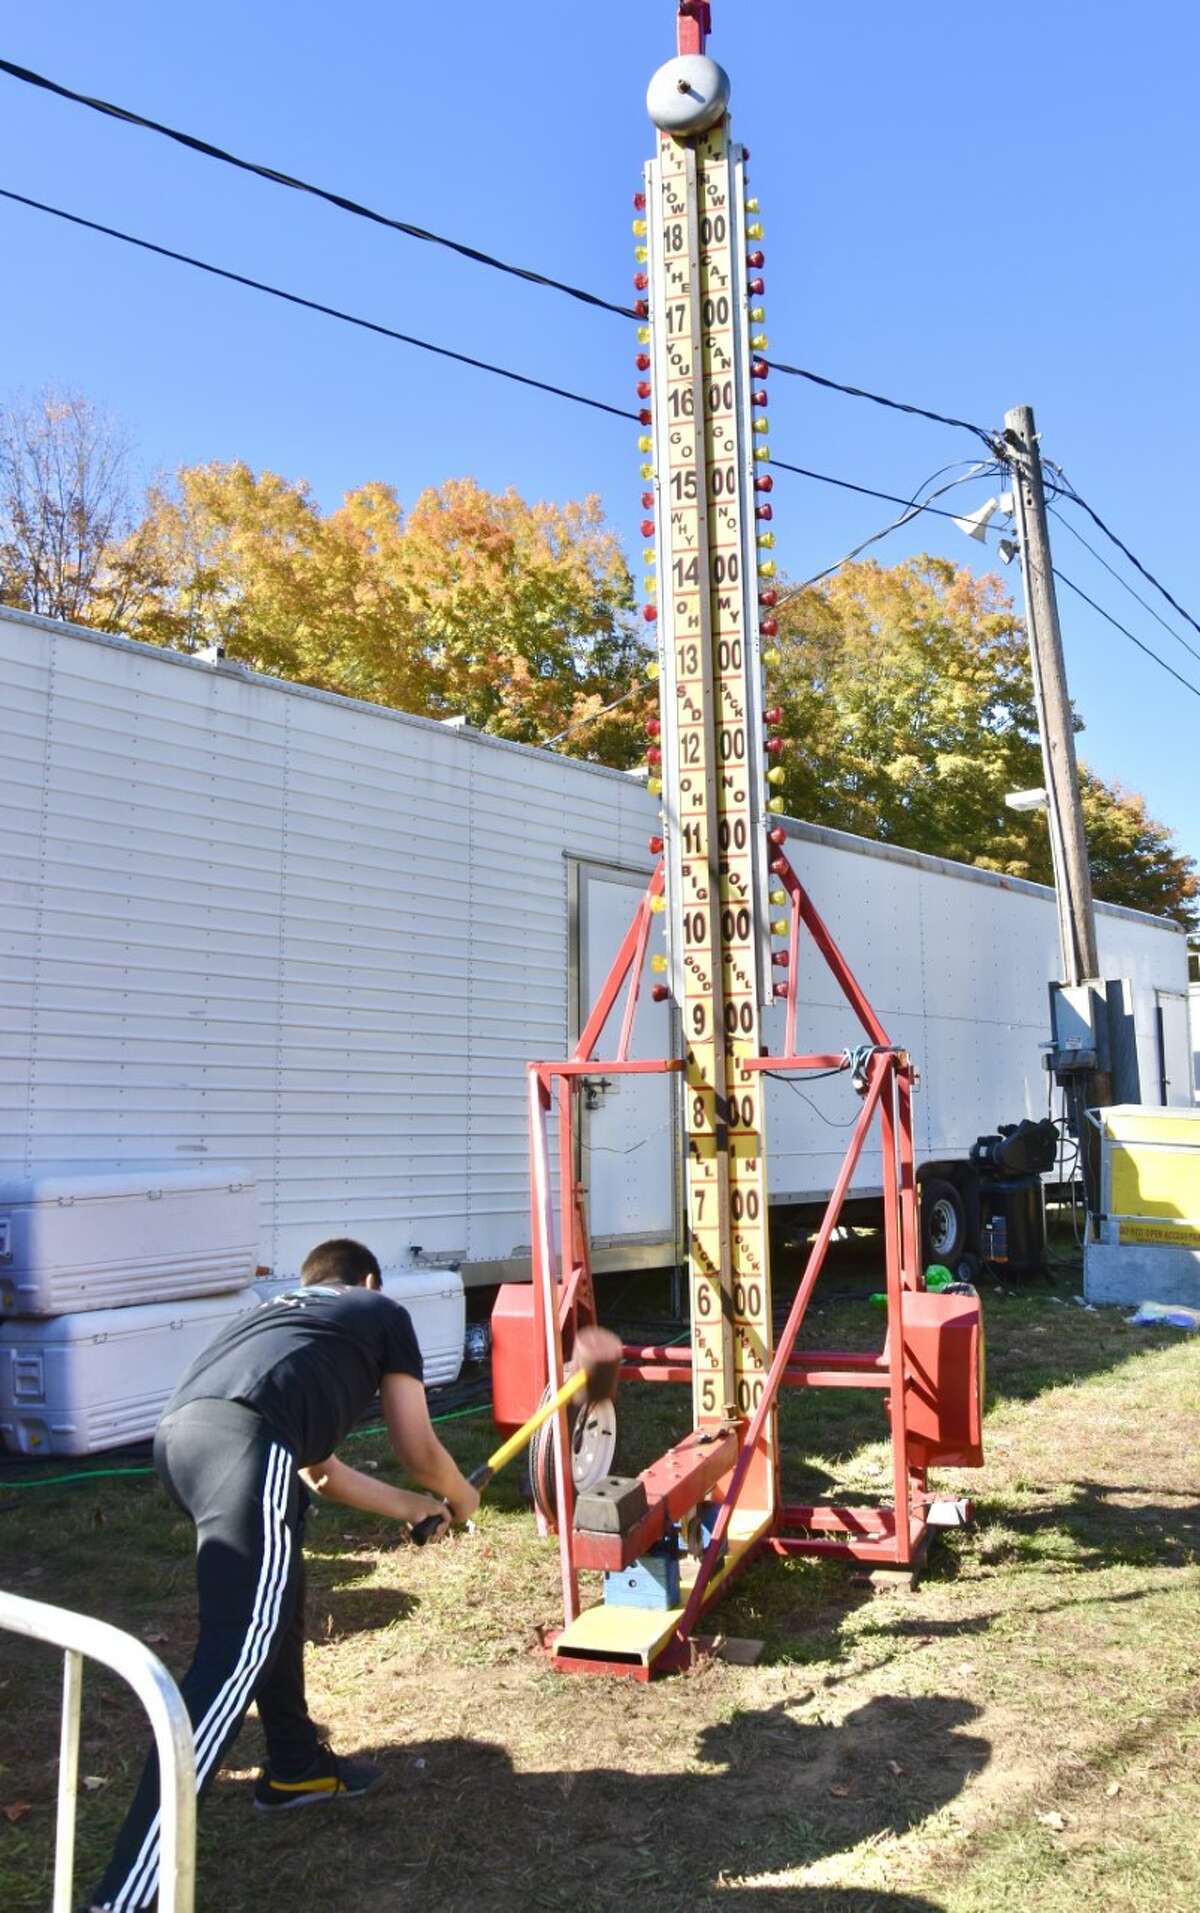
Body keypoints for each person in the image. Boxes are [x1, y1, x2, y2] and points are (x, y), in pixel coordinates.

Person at [87, 1237, 480, 1913]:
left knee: (278, 1578)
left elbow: (319, 1470)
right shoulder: (378, 1308)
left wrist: (411, 1508)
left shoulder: (283, 1319)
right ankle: (126, 1896)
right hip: (247, 1438)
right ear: (367, 1277)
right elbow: (416, 1446)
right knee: (237, 1649)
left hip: (180, 1438)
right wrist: (459, 1495)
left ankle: (296, 1765)